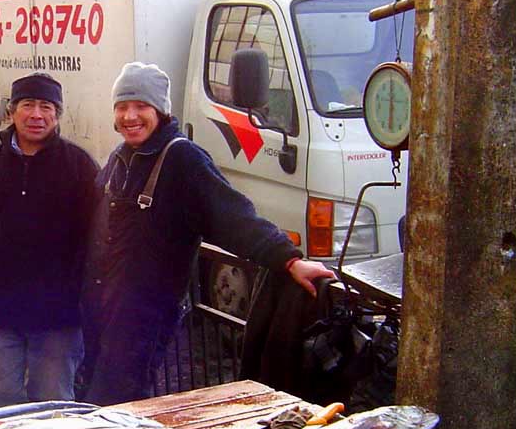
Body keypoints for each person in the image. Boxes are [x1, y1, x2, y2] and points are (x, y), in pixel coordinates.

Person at [81, 62, 336, 405]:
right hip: (103, 306)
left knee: (116, 405)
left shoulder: (182, 159)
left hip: (142, 317)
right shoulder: (122, 156)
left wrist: (288, 260)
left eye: (141, 106)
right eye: (123, 107)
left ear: (161, 110)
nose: (130, 116)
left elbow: (234, 217)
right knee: (91, 396)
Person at [0, 72, 99, 409]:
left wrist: (80, 295)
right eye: (28, 105)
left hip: (57, 314)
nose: (37, 114)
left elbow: (96, 239)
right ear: (12, 112)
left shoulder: (79, 165)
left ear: (58, 114)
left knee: (54, 404)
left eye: (46, 106)